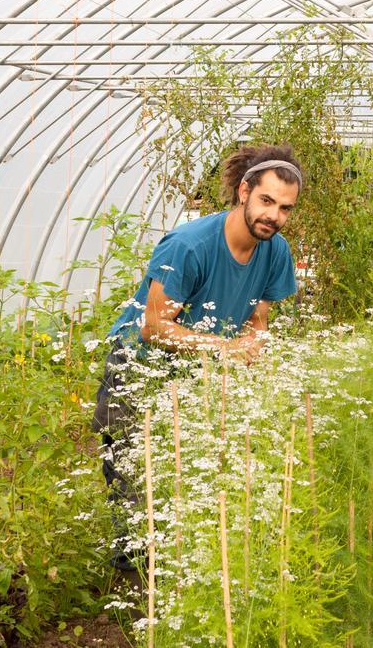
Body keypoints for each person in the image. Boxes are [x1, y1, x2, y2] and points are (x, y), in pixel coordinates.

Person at [92, 143, 302, 569]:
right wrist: (227, 349)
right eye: (266, 201)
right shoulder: (189, 245)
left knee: (191, 478)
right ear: (244, 191)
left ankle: (182, 569)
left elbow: (258, 318)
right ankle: (135, 592)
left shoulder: (276, 252)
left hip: (196, 368)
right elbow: (153, 326)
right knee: (136, 485)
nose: (273, 216)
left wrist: (253, 346)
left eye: (284, 208)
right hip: (138, 367)